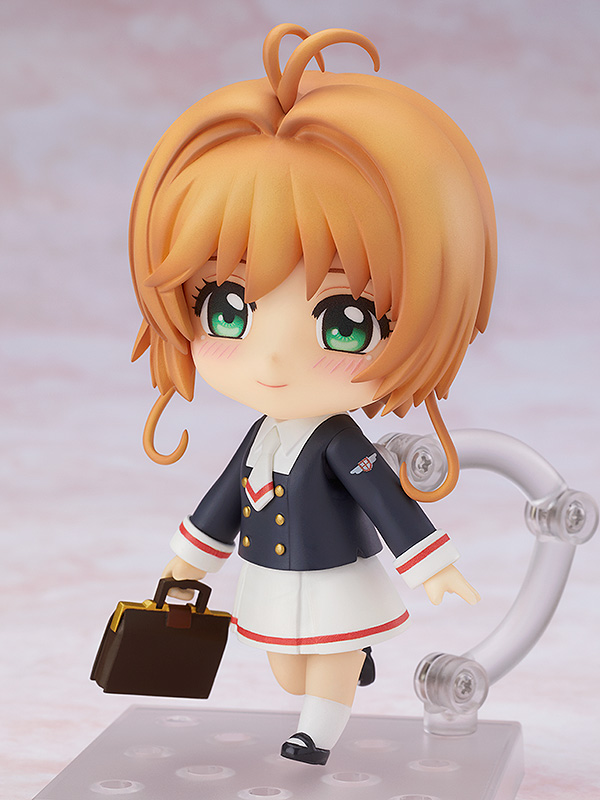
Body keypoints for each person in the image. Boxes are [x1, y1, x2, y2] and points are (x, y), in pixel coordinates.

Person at [128, 24, 496, 765]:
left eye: (345, 321)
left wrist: (432, 565)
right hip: (270, 575)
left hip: (335, 578)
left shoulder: (338, 442)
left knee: (321, 669)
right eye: (227, 309)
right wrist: (190, 562)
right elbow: (224, 497)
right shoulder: (262, 434)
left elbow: (386, 500)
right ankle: (341, 672)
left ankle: (316, 730)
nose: (273, 358)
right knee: (285, 667)